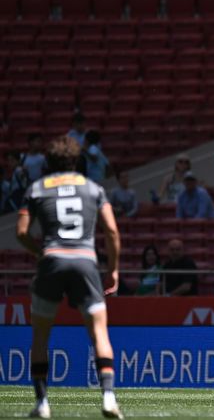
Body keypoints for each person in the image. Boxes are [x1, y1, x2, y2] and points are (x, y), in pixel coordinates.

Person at [15, 135, 123, 418]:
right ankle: (109, 397)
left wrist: (40, 252)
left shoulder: (37, 189)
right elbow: (112, 231)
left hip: (51, 259)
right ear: (76, 161)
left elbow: (21, 233)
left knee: (40, 336)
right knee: (99, 331)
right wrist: (112, 268)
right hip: (86, 262)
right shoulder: (93, 188)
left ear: (48, 163)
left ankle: (42, 403)